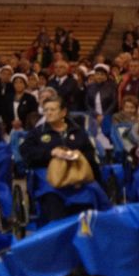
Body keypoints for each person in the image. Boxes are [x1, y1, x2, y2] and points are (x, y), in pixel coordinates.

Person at [19, 95, 105, 224]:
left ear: (63, 112)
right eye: (46, 110)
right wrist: (50, 153)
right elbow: (26, 152)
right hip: (50, 179)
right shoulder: (37, 133)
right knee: (53, 201)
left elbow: (90, 156)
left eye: (52, 109)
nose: (48, 113)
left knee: (90, 196)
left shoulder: (77, 131)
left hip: (77, 177)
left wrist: (77, 159)